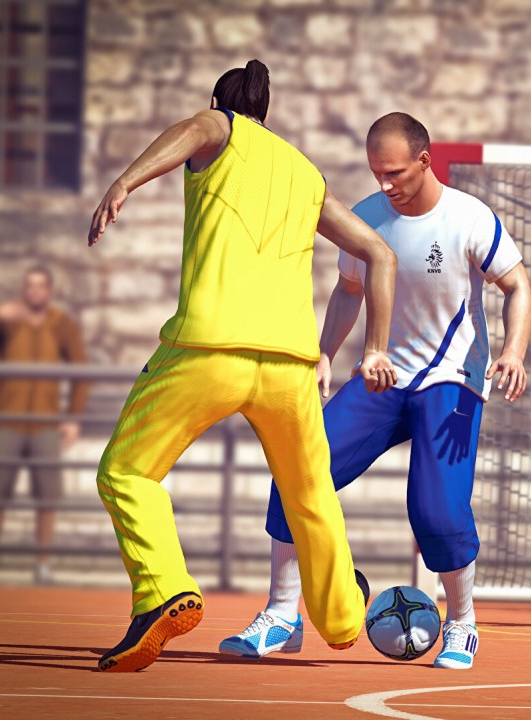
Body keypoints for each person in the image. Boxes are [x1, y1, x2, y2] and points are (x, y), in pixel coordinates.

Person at [87, 60, 398, 672]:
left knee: (125, 471)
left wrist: (124, 182)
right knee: (310, 491)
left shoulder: (220, 127)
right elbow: (379, 253)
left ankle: (163, 590)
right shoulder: (305, 173)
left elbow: (196, 130)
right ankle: (342, 614)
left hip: (210, 347)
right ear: (267, 112)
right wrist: (375, 348)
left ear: (219, 104)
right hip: (289, 363)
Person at [221, 112, 531, 671]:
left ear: (424, 160)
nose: (385, 184)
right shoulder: (365, 218)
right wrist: (324, 353)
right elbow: (349, 290)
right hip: (382, 377)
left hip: (451, 381)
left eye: (394, 173)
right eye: (376, 173)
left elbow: (518, 286)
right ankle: (283, 615)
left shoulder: (469, 217)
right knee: (297, 471)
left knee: (437, 511)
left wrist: (513, 352)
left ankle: (462, 623)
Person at [0, 266, 89, 585]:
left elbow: (81, 371)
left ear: (49, 290)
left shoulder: (62, 323)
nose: (35, 291)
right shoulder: (8, 320)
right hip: (7, 418)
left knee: (47, 496)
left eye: (41, 285)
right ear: (24, 289)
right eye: (30, 285)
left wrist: (73, 417)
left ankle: (43, 564)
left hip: (46, 422)